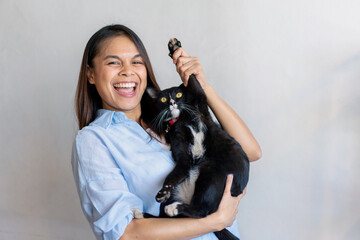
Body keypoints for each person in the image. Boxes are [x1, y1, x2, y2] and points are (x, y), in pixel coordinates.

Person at [72, 24, 262, 240]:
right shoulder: (94, 140)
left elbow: (250, 152)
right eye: (114, 62)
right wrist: (215, 221)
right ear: (91, 74)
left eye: (136, 61)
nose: (127, 70)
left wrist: (203, 87)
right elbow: (126, 234)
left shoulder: (170, 120)